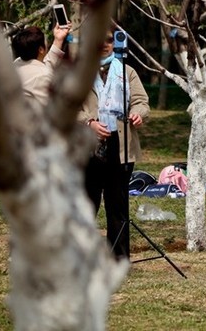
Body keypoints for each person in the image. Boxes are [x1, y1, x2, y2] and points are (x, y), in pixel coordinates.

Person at [80, 26, 149, 259]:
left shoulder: (127, 71)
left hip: (121, 145)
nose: (104, 44)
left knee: (117, 205)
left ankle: (118, 257)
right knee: (87, 202)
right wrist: (89, 122)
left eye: (109, 39)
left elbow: (141, 101)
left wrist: (138, 113)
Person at [12, 23, 70, 106]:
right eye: (45, 40)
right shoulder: (42, 76)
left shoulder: (18, 63)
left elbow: (45, 64)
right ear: (41, 49)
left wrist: (58, 40)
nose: (47, 42)